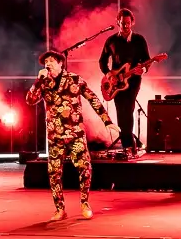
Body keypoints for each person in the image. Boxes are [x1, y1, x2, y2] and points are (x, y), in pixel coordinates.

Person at [26, 50, 120, 221]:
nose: (48, 64)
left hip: (75, 133)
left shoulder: (74, 79)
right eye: (46, 62)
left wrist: (107, 121)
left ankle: (85, 203)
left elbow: (93, 99)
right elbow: (30, 100)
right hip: (55, 136)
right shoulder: (43, 83)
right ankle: (60, 209)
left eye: (52, 61)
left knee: (84, 169)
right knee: (54, 173)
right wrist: (38, 81)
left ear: (60, 63)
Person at [99, 8, 153, 160]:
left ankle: (129, 146)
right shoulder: (111, 40)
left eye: (128, 23)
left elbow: (147, 60)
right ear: (118, 22)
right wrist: (109, 74)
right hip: (116, 83)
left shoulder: (139, 40)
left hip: (133, 81)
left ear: (132, 22)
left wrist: (143, 69)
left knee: (128, 110)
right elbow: (102, 61)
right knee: (120, 112)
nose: (126, 26)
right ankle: (127, 146)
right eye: (123, 23)